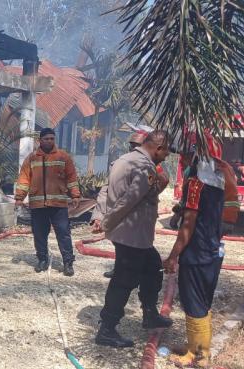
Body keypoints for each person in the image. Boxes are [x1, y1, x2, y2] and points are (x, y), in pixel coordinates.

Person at [164, 135, 237, 368]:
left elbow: (188, 224)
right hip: (212, 252)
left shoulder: (196, 184)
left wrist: (174, 254)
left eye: (187, 155)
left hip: (196, 253)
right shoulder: (218, 182)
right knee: (202, 303)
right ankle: (198, 349)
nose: (183, 159)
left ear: (197, 156)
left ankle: (197, 357)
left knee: (193, 302)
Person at [94, 131, 173, 348]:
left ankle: (150, 314)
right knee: (123, 282)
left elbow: (110, 191)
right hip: (131, 235)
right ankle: (107, 329)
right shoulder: (144, 167)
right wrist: (107, 222)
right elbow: (129, 200)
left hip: (136, 236)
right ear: (158, 147)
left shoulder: (123, 160)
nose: (166, 156)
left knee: (154, 267)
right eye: (166, 151)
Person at [91, 131, 169, 278]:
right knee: (127, 278)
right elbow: (122, 197)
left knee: (151, 268)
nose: (135, 149)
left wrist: (103, 219)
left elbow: (145, 195)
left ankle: (147, 299)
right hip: (131, 231)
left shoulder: (142, 164)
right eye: (132, 146)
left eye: (137, 145)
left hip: (129, 230)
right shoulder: (142, 165)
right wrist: (101, 219)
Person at [15, 128, 81, 276]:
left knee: (63, 234)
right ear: (40, 140)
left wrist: (75, 196)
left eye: (52, 138)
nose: (50, 141)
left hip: (58, 205)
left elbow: (71, 178)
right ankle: (42, 259)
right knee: (39, 234)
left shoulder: (63, 157)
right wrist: (19, 197)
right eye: (46, 139)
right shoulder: (31, 158)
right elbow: (24, 179)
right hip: (38, 206)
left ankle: (68, 262)